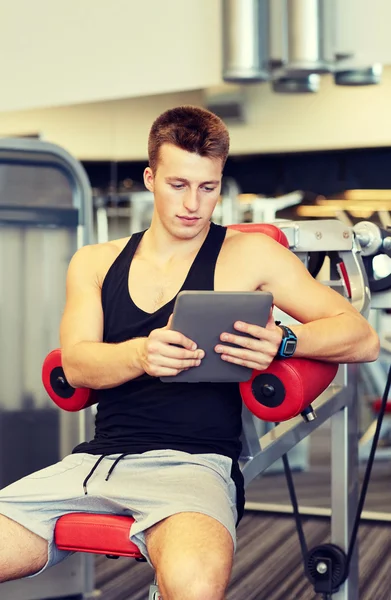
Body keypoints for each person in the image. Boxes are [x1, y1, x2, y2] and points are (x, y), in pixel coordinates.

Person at [0, 106, 379, 600]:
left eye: (208, 187)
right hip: (95, 463)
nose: (194, 204)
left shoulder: (250, 255)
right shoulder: (94, 262)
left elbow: (362, 337)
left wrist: (287, 340)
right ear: (150, 178)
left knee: (195, 587)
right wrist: (140, 355)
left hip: (194, 467)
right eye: (178, 185)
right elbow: (76, 364)